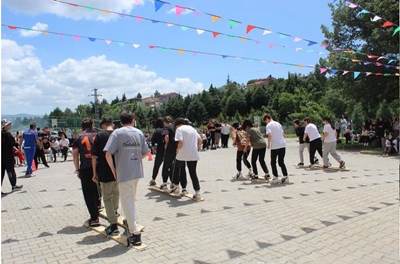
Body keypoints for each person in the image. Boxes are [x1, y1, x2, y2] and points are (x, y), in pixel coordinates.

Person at [104, 111, 148, 246]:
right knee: (131, 200)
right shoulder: (139, 132)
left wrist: (113, 169)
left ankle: (135, 233)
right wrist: (135, 161)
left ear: (121, 122)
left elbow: (107, 153)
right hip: (136, 171)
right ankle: (131, 223)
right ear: (133, 120)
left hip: (124, 172)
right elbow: (146, 152)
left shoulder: (117, 133)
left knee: (127, 202)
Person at [92, 117, 120, 235]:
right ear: (112, 124)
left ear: (103, 125)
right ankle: (115, 212)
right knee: (116, 193)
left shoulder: (100, 136)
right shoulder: (118, 134)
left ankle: (113, 224)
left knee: (107, 197)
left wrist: (94, 173)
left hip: (105, 170)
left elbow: (94, 156)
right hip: (119, 170)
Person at [73, 118, 100, 227]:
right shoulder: (98, 135)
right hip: (99, 164)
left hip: (86, 166)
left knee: (88, 192)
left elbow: (75, 154)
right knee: (98, 188)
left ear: (82, 127)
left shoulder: (78, 137)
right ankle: (98, 205)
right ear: (92, 125)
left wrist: (77, 169)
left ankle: (94, 218)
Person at [169, 118, 203, 199]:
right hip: (193, 153)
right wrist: (196, 148)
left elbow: (180, 142)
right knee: (193, 172)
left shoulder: (179, 129)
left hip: (183, 153)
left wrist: (178, 149)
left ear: (177, 124)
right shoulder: (192, 128)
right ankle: (197, 192)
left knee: (176, 167)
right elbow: (200, 140)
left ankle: (176, 186)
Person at [263, 113, 289, 183]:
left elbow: (269, 135)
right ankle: (286, 176)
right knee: (281, 161)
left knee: (273, 162)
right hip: (282, 144)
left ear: (267, 119)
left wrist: (268, 144)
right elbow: (283, 134)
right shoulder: (278, 124)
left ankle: (275, 177)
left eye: (265, 121)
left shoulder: (269, 125)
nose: (266, 122)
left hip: (275, 145)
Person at [1, 119, 23, 194]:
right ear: (5, 126)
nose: (10, 125)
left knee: (1, 173)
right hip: (8, 156)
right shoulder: (7, 134)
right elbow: (12, 144)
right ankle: (14, 185)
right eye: (9, 124)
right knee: (11, 171)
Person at [159, 116, 177, 189]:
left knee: (166, 165)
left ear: (164, 122)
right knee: (174, 166)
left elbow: (166, 136)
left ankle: (165, 182)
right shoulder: (175, 127)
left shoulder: (166, 128)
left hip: (169, 148)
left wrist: (166, 144)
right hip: (176, 148)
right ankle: (174, 182)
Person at [149, 118, 166, 186]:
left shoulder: (157, 131)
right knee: (168, 166)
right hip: (167, 149)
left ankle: (153, 179)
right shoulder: (166, 129)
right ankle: (171, 182)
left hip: (160, 149)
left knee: (157, 165)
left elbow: (153, 140)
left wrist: (153, 147)